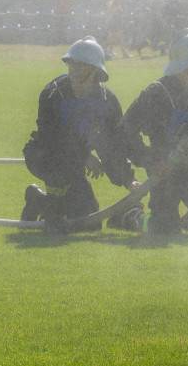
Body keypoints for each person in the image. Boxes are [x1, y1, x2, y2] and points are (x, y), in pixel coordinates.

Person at [116, 29, 188, 236]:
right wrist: (151, 162)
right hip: (165, 175)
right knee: (163, 230)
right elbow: (125, 131)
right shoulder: (156, 94)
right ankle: (132, 216)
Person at [20, 36, 139, 233]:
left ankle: (37, 199)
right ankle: (49, 206)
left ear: (95, 70)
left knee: (90, 225)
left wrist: (128, 179)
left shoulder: (107, 100)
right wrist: (84, 157)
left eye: (80, 65)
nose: (73, 69)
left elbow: (114, 146)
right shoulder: (52, 94)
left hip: (74, 164)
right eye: (71, 63)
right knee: (56, 227)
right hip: (46, 158)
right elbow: (53, 140)